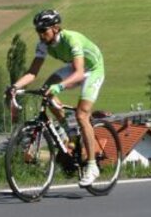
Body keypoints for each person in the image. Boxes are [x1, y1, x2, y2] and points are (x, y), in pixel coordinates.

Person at [8, 10, 106, 188]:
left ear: (56, 28)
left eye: (44, 31)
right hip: (75, 68)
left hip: (92, 69)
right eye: (38, 31)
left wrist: (60, 86)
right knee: (46, 90)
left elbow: (78, 73)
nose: (41, 35)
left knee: (82, 115)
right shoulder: (43, 44)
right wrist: (15, 87)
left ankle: (92, 167)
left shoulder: (71, 39)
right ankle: (70, 132)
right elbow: (32, 72)